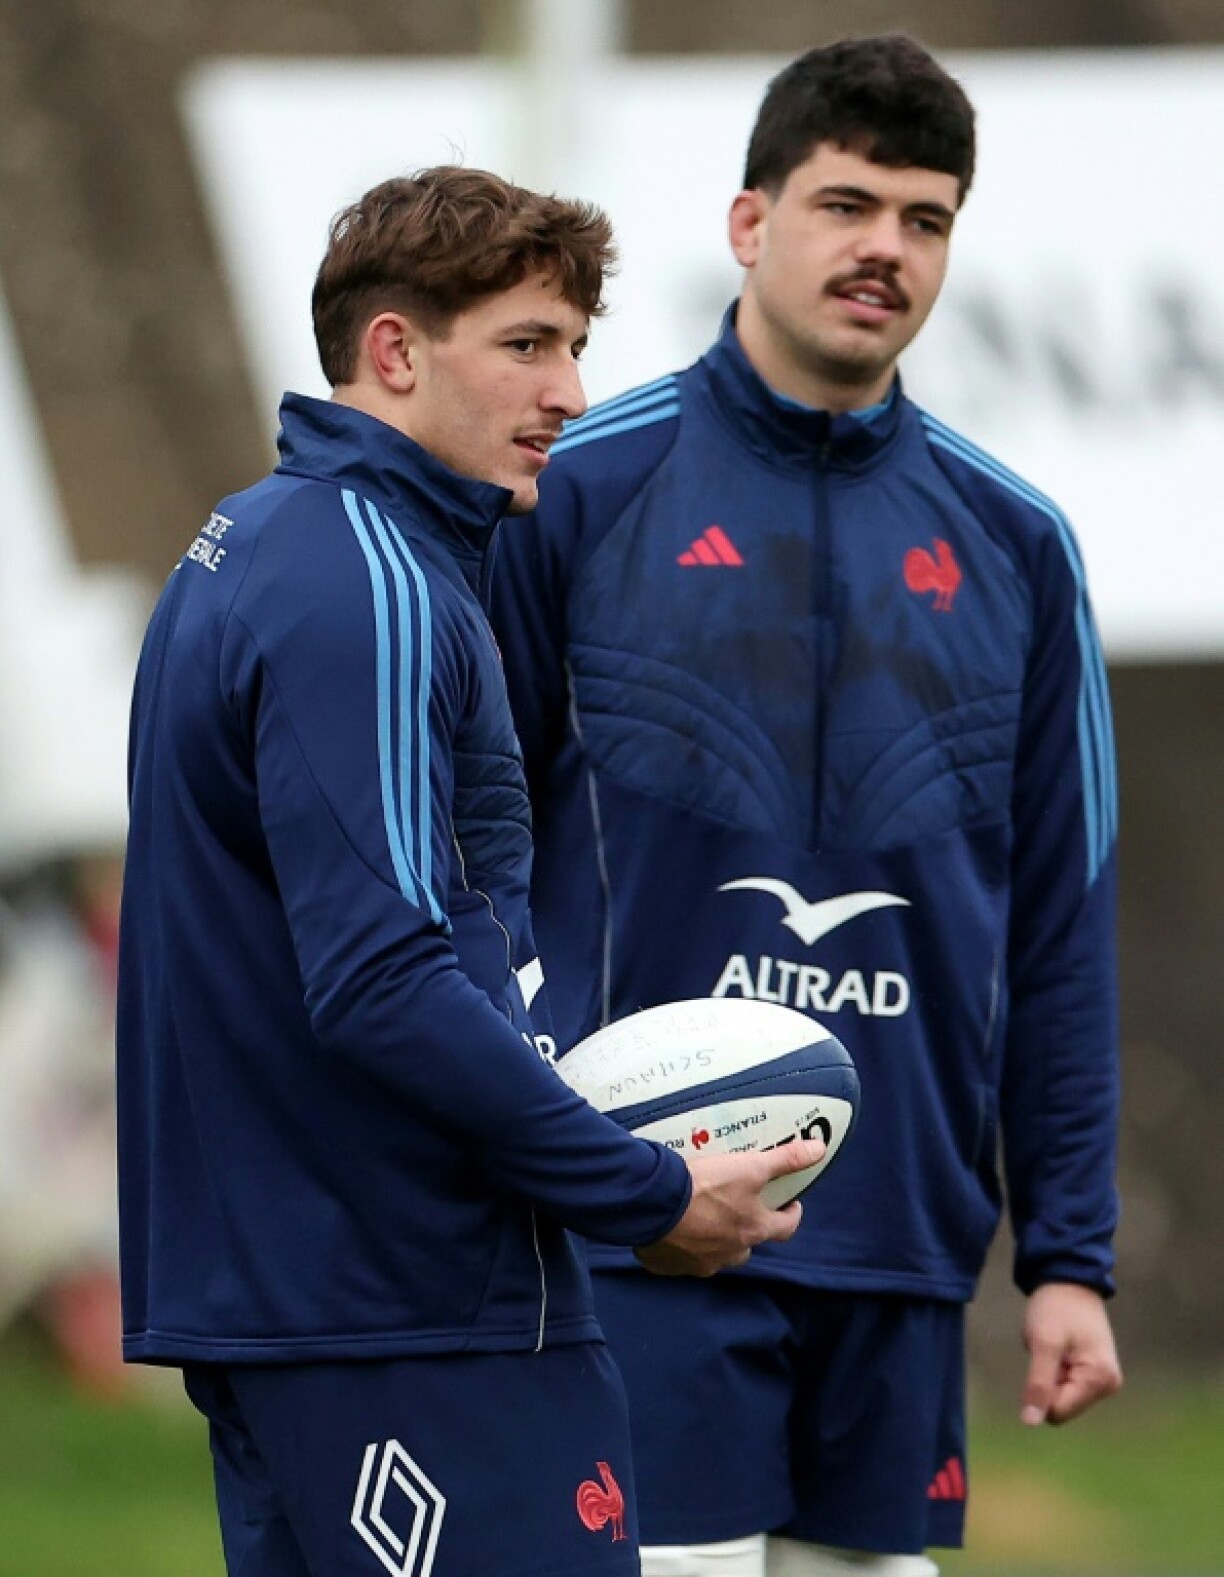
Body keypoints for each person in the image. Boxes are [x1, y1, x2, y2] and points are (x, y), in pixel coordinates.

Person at [115, 165, 824, 1577]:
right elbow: (384, 979)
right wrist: (645, 1192)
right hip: (407, 1309)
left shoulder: (263, 544)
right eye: (526, 344)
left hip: (331, 1303)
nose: (568, 392)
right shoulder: (366, 585)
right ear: (394, 349)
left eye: (576, 346)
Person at [490, 35, 1123, 1577]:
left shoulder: (1017, 542)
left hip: (898, 1242)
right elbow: (463, 850)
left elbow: (1060, 919)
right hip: (639, 1220)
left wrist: (1069, 1256)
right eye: (847, 204)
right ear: (749, 221)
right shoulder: (581, 488)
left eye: (925, 219)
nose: (884, 248)